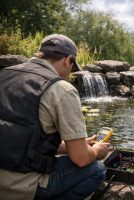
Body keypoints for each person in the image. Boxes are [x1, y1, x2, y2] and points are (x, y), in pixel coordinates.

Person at [0, 34, 110, 200]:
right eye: (72, 68)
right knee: (97, 169)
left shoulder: (5, 74)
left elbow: (18, 137)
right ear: (67, 60)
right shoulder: (62, 89)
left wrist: (70, 146)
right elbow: (81, 159)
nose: (70, 74)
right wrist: (95, 150)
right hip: (21, 187)